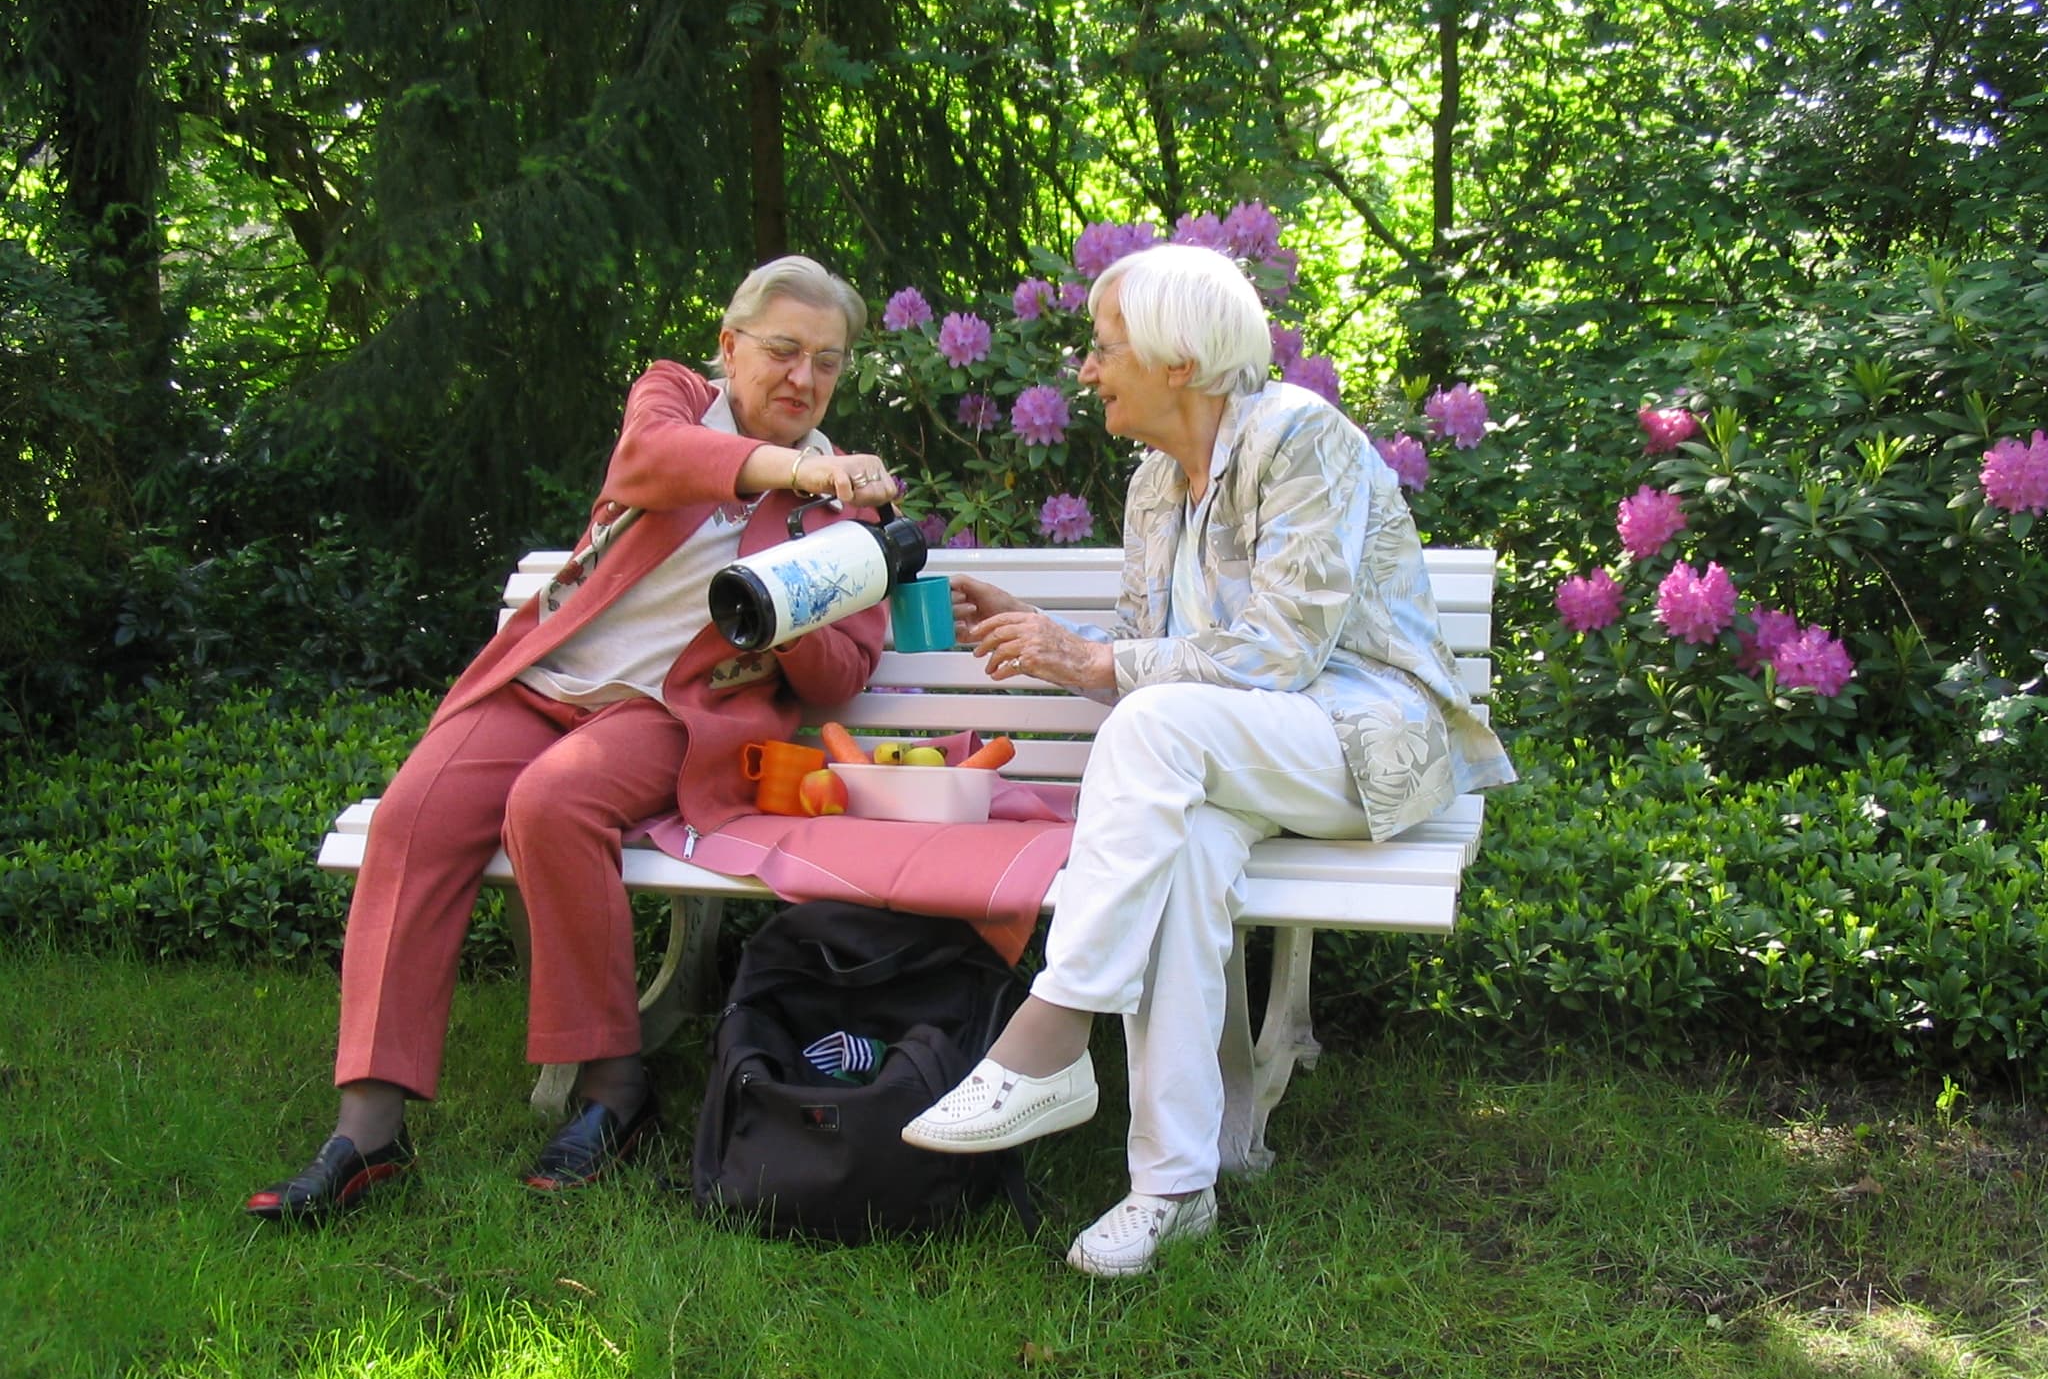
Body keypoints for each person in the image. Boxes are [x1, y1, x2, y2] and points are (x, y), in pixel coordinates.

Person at [901, 243, 1516, 1275]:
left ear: (1177, 361)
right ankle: (1173, 1186)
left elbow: (1278, 652)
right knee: (1180, 850)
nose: (1084, 372)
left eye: (1104, 349)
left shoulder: (1299, 437)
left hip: (1361, 744)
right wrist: (1051, 640)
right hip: (1237, 753)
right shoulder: (1152, 484)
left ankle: (1055, 1028)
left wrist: (1095, 660)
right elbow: (1149, 668)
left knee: (1156, 734)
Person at [248, 255, 901, 1223]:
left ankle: (613, 1090)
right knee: (414, 817)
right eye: (781, 351)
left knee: (552, 805)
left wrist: (804, 589)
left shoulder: (843, 507)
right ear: (728, 349)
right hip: (542, 684)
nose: (802, 379)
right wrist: (797, 468)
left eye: (827, 363)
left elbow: (845, 673)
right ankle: (367, 1131)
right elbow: (653, 460)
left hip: (666, 715)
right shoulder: (675, 398)